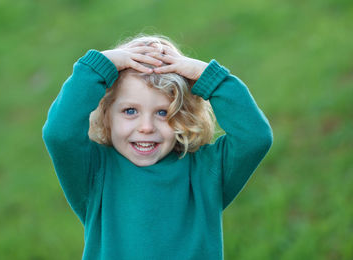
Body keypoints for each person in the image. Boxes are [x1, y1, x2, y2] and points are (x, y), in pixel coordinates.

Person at [42, 34, 273, 260]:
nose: (146, 127)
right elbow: (59, 133)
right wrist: (100, 65)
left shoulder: (207, 171)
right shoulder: (95, 172)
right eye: (130, 111)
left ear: (183, 115)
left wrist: (208, 76)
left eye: (163, 112)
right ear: (106, 115)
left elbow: (255, 137)